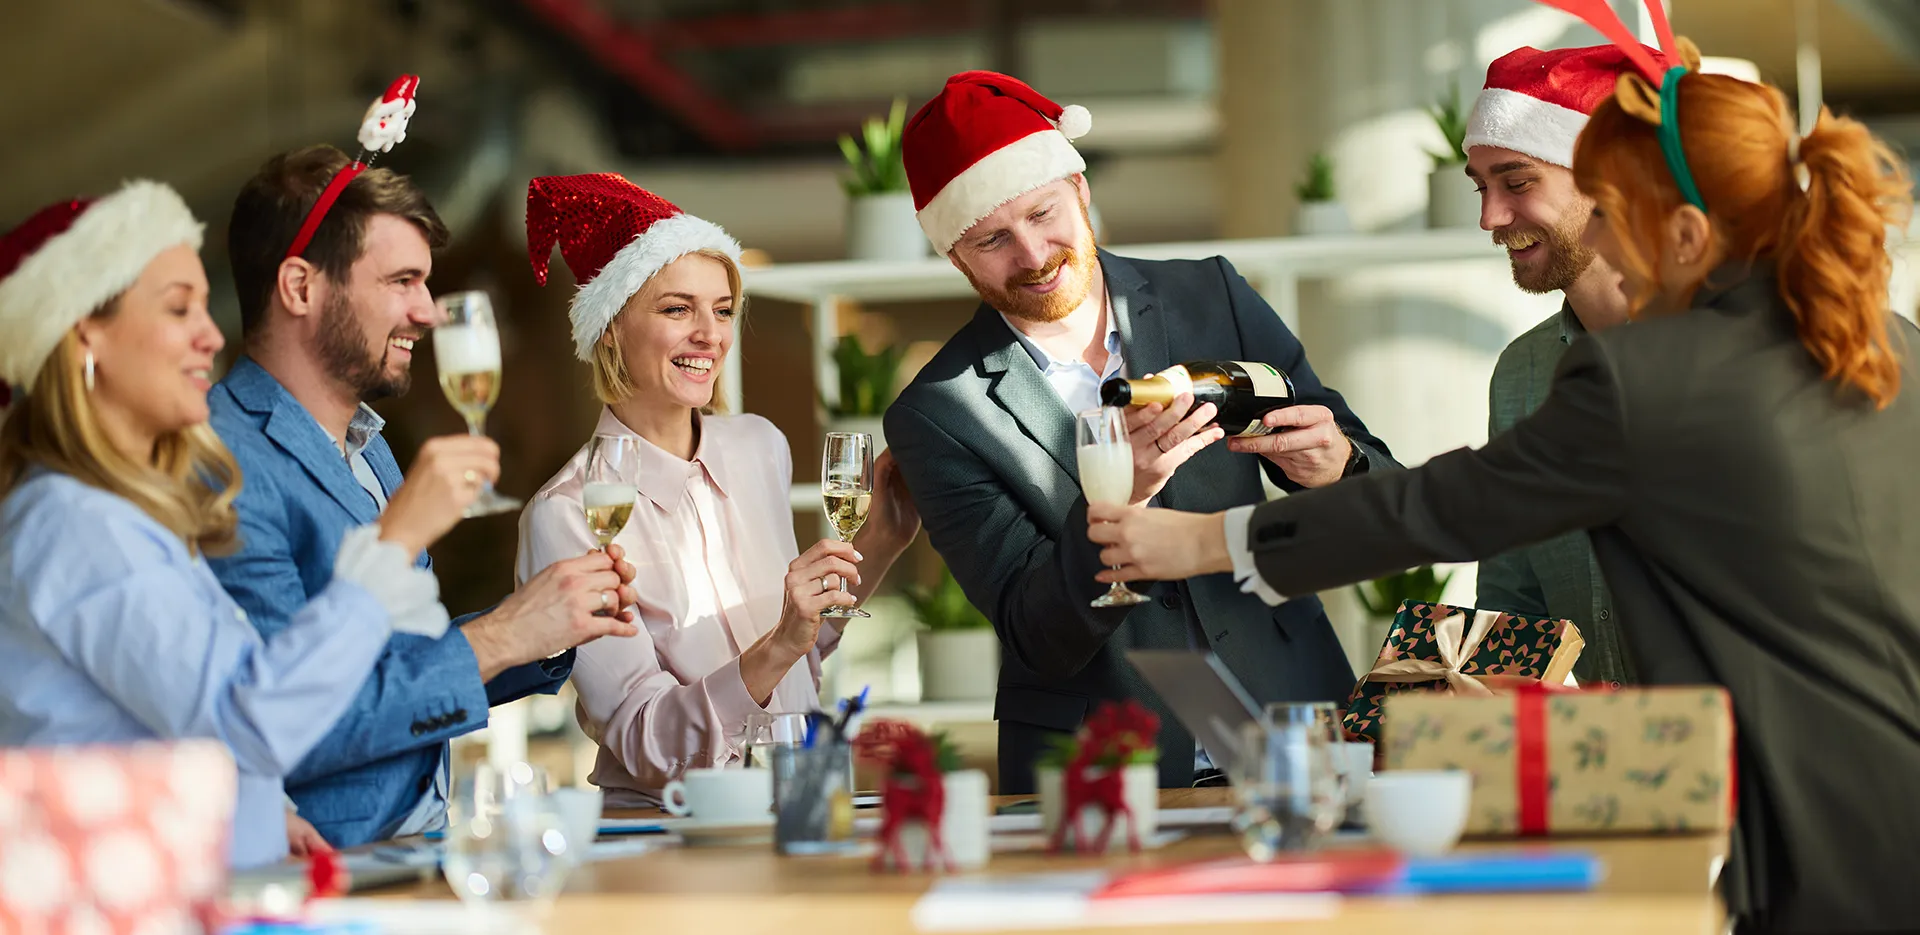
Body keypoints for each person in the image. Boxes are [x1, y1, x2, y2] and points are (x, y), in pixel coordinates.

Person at [1085, 40, 1920, 933]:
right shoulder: (1881, 342)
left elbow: (1443, 508)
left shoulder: (1647, 373)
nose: (1605, 246)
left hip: (1801, 835)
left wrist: (1201, 542)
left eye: (1614, 220)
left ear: (1683, 231)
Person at [882, 71, 1398, 794]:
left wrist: (1339, 464)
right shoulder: (937, 412)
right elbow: (1036, 631)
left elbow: (1381, 484)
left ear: (1082, 189)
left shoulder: (1211, 293)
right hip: (1105, 769)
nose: (1032, 255)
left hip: (1294, 720)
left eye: (1043, 213)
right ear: (953, 256)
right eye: (991, 238)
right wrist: (1119, 494)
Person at [0, 181, 484, 867]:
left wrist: (262, 807)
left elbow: (185, 718)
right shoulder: (78, 522)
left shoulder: (109, 514)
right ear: (87, 333)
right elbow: (248, 719)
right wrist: (392, 544)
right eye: (178, 308)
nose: (212, 334)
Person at [207, 146, 641, 848]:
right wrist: (498, 637)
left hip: (417, 850)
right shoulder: (223, 460)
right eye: (402, 281)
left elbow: (388, 658)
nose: (426, 312)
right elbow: (290, 718)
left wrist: (545, 625)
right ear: (298, 287)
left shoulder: (367, 442)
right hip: (324, 871)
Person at [514, 174, 920, 804]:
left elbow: (798, 657)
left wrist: (883, 538)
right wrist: (782, 641)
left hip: (797, 802)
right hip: (672, 837)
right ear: (612, 328)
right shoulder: (568, 514)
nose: (711, 334)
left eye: (723, 309)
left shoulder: (760, 447)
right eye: (678, 308)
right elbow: (646, 743)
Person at [1460, 45, 1676, 687]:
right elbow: (1513, 612)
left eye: (1517, 182)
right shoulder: (1522, 373)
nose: (1490, 217)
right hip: (1625, 766)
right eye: (1482, 187)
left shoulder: (1743, 346)